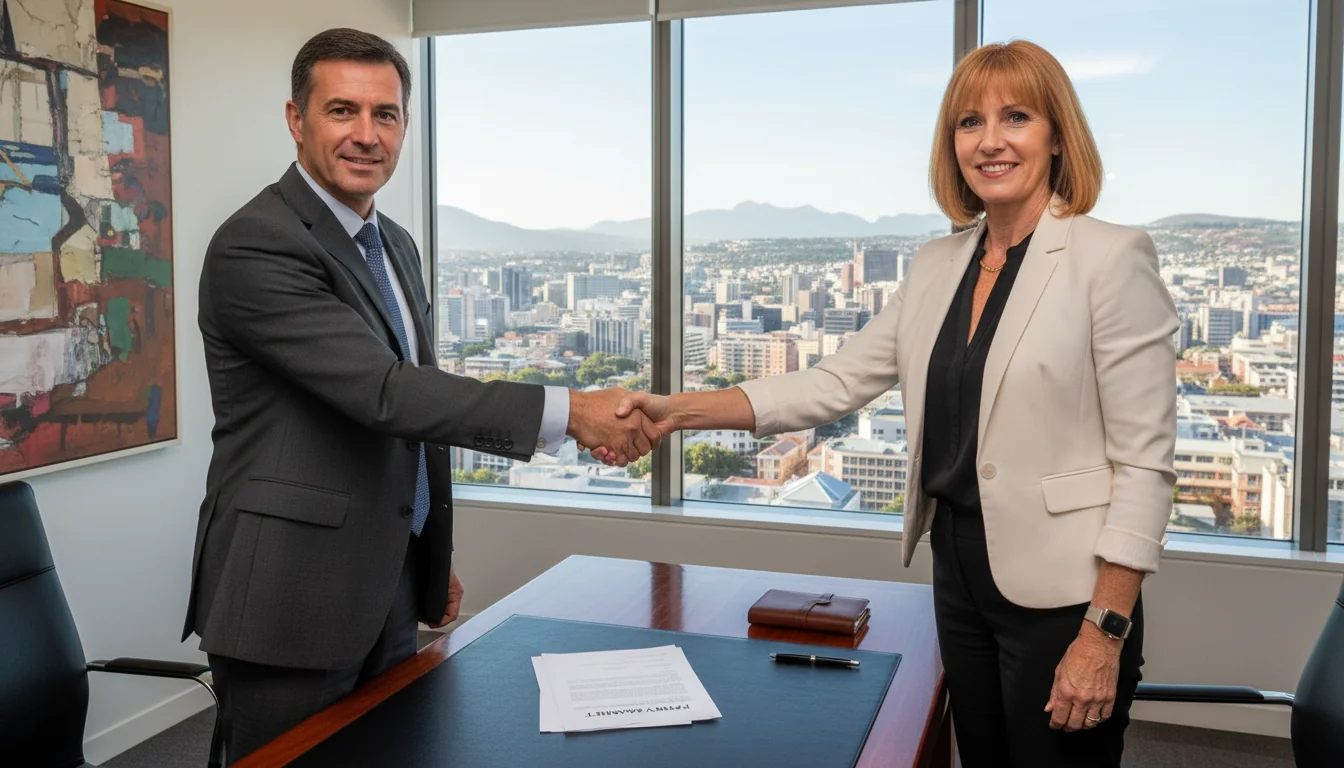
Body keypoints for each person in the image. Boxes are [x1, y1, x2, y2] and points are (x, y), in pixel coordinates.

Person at [604, 40, 1177, 767]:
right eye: (969, 122)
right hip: (959, 574)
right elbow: (831, 383)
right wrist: (675, 411)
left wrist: (1104, 630)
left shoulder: (1110, 258)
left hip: (1067, 596)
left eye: (1017, 117)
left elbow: (1145, 465)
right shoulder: (938, 264)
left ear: (1058, 136)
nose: (990, 141)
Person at [183, 28, 658, 765]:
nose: (367, 135)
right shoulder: (257, 243)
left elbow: (417, 418)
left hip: (388, 582)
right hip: (289, 596)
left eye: (386, 114)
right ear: (296, 119)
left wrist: (429, 554)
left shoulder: (394, 244)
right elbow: (387, 394)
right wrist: (572, 412)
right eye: (342, 110)